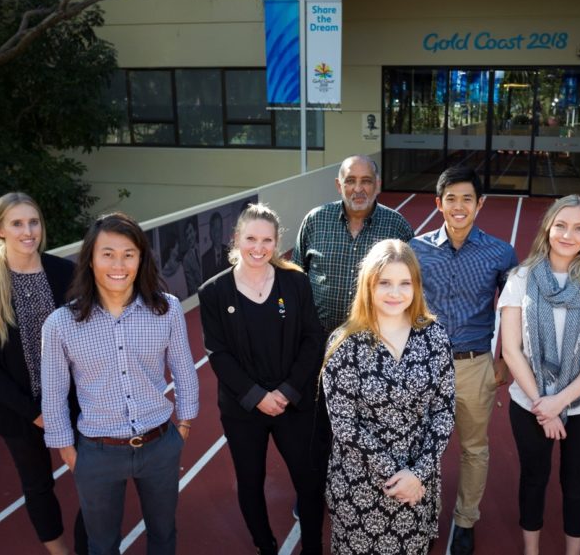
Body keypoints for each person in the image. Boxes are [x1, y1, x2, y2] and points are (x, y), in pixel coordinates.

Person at [41, 212, 199, 555]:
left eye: (129, 254)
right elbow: (53, 394)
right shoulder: (60, 324)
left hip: (159, 445)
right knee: (102, 544)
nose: (119, 264)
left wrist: (183, 424)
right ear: (91, 259)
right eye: (108, 253)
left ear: (141, 258)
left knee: (163, 535)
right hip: (96, 453)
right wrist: (69, 451)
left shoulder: (167, 309)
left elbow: (184, 369)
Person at [197, 204, 326, 555]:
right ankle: (265, 546)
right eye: (250, 238)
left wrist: (285, 391)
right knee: (250, 482)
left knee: (310, 481)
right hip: (244, 410)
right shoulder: (213, 292)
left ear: (276, 241)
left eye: (266, 240)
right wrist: (257, 396)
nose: (258, 247)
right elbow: (218, 354)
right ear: (235, 239)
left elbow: (312, 339)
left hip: (294, 402)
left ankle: (312, 548)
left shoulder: (295, 281)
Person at [0, 192, 86, 555]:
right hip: (19, 410)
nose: (28, 231)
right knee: (38, 487)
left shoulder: (64, 271)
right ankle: (60, 551)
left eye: (33, 222)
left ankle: (87, 545)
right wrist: (37, 413)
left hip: (75, 402)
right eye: (17, 223)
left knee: (96, 479)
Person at [498, 195, 580, 555]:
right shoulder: (521, 277)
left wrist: (559, 403)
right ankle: (531, 551)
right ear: (548, 227)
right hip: (530, 401)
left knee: (577, 483)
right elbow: (510, 349)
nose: (568, 234)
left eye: (579, 228)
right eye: (562, 225)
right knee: (533, 479)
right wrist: (542, 403)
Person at [410, 165, 517, 555]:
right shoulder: (415, 249)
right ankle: (418, 512)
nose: (459, 206)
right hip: (424, 364)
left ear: (479, 204)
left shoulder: (500, 253)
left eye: (467, 199)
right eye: (450, 199)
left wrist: (505, 357)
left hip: (475, 364)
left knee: (474, 448)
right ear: (439, 203)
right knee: (419, 444)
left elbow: (513, 310)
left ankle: (466, 519)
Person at [322, 239, 455, 554]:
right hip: (360, 486)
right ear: (369, 285)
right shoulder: (344, 344)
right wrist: (398, 475)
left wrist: (417, 473)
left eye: (404, 283)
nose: (395, 293)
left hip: (416, 487)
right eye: (385, 283)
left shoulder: (435, 338)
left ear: (416, 286)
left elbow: (444, 411)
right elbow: (344, 424)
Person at [293, 154, 413, 333]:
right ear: (339, 185)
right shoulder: (315, 220)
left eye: (366, 181)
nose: (358, 188)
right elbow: (295, 277)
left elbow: (412, 283)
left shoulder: (397, 226)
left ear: (377, 185)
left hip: (375, 340)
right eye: (350, 181)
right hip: (317, 339)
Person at [202, 211, 229, 281]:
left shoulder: (230, 252)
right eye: (216, 230)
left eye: (220, 229)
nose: (219, 234)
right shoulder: (205, 259)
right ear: (211, 233)